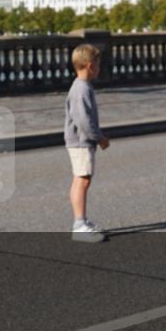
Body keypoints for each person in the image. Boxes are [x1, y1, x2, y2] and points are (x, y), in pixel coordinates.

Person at [64, 43, 109, 242]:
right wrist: (98, 137)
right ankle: (80, 224)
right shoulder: (81, 89)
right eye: (98, 65)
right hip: (82, 141)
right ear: (90, 66)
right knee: (83, 180)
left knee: (80, 179)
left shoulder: (81, 86)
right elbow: (84, 120)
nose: (100, 68)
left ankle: (80, 221)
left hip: (79, 140)